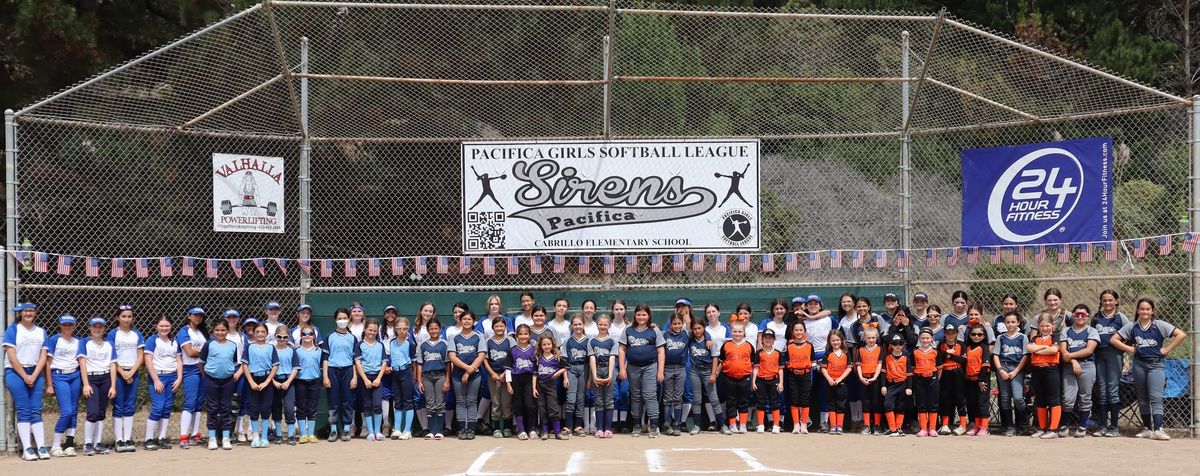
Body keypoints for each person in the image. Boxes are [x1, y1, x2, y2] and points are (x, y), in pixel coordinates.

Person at [1110, 297, 1186, 440]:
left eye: (1147, 309)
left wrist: (1167, 349)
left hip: (1155, 365)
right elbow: (1114, 339)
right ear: (1138, 311)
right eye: (1142, 309)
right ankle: (1147, 428)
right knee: (1142, 397)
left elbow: (1181, 334)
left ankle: (1158, 429)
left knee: (1155, 397)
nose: (1144, 311)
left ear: (1152, 311)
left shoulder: (1158, 325)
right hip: (1139, 364)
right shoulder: (1133, 326)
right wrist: (1130, 349)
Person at [619, 303, 666, 438]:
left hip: (650, 366)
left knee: (650, 395)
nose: (641, 317)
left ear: (649, 315)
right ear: (635, 315)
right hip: (633, 367)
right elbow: (622, 349)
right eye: (638, 314)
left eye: (644, 314)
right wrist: (622, 368)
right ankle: (637, 425)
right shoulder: (628, 329)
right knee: (635, 396)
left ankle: (654, 426)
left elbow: (661, 351)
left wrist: (660, 371)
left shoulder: (654, 330)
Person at [106, 304, 144, 453]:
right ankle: (119, 440)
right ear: (117, 318)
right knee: (119, 405)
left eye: (129, 316)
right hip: (118, 372)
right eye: (123, 316)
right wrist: (123, 372)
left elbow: (140, 354)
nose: (126, 319)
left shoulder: (137, 334)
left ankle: (127, 439)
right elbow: (111, 357)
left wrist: (132, 371)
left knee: (129, 405)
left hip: (132, 371)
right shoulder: (113, 334)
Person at [1091, 290, 1128, 437]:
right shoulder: (1096, 318)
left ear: (1116, 301)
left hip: (1114, 355)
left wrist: (1124, 349)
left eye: (1110, 300)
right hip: (1099, 355)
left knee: (1112, 390)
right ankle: (1102, 426)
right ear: (1101, 302)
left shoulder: (1121, 317)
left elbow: (1129, 334)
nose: (1107, 303)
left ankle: (1114, 427)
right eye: (1104, 300)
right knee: (1101, 390)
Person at [199, 320, 240, 450]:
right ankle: (212, 438)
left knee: (226, 407)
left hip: (227, 380)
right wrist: (207, 375)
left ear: (227, 331)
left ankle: (226, 437)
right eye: (217, 330)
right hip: (211, 380)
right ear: (213, 331)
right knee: (212, 408)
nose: (220, 332)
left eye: (223, 330)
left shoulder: (232, 345)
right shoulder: (209, 344)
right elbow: (201, 363)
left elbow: (233, 362)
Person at [143, 315, 182, 450]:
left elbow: (178, 360)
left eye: (167, 326)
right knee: (158, 407)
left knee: (167, 408)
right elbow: (148, 360)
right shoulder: (152, 340)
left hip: (172, 377)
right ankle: (148, 439)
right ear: (156, 326)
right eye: (161, 326)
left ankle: (161, 437)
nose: (164, 328)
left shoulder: (174, 341)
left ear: (171, 326)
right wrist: (156, 380)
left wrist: (179, 378)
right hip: (158, 376)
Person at [79, 316, 116, 456]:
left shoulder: (109, 344)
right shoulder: (84, 342)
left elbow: (112, 365)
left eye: (100, 327)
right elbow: (82, 363)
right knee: (92, 412)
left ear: (104, 329)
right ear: (90, 328)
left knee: (101, 412)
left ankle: (97, 442)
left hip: (106, 378)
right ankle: (87, 443)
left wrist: (113, 386)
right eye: (94, 326)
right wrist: (86, 384)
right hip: (91, 378)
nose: (97, 329)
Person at [46, 314, 82, 457]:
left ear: (74, 326)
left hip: (75, 375)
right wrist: (49, 384)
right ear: (60, 325)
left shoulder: (78, 341)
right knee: (66, 411)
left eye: (70, 324)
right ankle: (55, 445)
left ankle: (69, 444)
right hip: (59, 375)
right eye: (65, 324)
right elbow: (48, 363)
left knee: (73, 410)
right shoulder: (54, 340)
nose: (68, 327)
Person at [1060, 305, 1099, 438]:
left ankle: (1082, 426)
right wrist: (1073, 361)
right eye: (1077, 314)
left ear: (1088, 316)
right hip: (1069, 367)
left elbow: (1089, 350)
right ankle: (1064, 425)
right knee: (1067, 398)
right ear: (1073, 316)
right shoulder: (1066, 331)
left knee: (1085, 397)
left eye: (1083, 314)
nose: (1080, 317)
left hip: (1087, 365)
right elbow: (1063, 352)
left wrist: (1071, 356)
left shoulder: (1091, 331)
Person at [322, 308, 360, 442]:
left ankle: (346, 429)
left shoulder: (352, 338)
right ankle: (333, 430)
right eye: (339, 318)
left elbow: (355, 360)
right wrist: (325, 376)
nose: (342, 321)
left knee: (347, 401)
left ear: (349, 319)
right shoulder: (329, 337)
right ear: (335, 320)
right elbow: (325, 358)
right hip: (332, 371)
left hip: (348, 370)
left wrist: (355, 377)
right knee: (333, 401)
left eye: (345, 318)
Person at [242, 322, 280, 448]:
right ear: (253, 333)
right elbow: (245, 365)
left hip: (266, 380)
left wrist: (267, 381)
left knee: (265, 408)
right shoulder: (249, 347)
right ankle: (255, 436)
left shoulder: (271, 348)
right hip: (253, 379)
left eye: (262, 332)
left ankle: (264, 436)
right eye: (257, 331)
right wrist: (251, 382)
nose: (260, 334)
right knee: (253, 408)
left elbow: (275, 366)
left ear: (267, 334)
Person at [1027, 313, 1064, 439]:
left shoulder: (1055, 336)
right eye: (1042, 326)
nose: (1045, 328)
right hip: (1037, 370)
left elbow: (1054, 350)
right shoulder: (1034, 338)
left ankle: (1053, 429)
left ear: (1052, 326)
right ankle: (1042, 428)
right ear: (1038, 326)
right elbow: (1029, 348)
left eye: (1047, 325)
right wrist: (1043, 346)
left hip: (1051, 369)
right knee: (1040, 399)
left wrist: (1037, 349)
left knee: (1054, 399)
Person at [993, 311, 1029, 437]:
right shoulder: (1001, 338)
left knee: (1018, 397)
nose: (1010, 324)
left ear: (1018, 322)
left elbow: (1025, 355)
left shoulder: (1023, 337)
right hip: (1003, 367)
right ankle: (1009, 426)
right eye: (1007, 322)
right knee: (1005, 398)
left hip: (1017, 368)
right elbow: (996, 355)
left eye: (1013, 322)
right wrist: (1000, 370)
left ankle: (1023, 424)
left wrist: (1016, 371)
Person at [176, 307, 209, 448]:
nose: (198, 318)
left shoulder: (202, 332)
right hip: (190, 369)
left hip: (203, 368)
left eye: (201, 316)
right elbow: (189, 352)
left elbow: (200, 351)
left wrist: (201, 352)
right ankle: (183, 436)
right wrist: (205, 351)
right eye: (195, 315)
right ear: (189, 316)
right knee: (190, 402)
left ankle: (195, 434)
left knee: (199, 403)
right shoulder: (184, 331)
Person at [449, 312, 484, 440]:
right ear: (460, 320)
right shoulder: (454, 337)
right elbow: (452, 357)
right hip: (458, 374)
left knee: (471, 400)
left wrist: (470, 371)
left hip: (474, 374)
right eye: (464, 319)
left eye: (469, 319)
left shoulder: (478, 337)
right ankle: (462, 428)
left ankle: (470, 428)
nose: (467, 321)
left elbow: (481, 355)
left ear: (473, 321)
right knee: (460, 401)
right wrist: (466, 369)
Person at [719, 322, 756, 434]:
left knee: (744, 401)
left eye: (740, 331)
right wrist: (716, 372)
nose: (737, 334)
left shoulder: (749, 346)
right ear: (731, 332)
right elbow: (722, 361)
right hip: (729, 377)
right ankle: (732, 424)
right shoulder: (726, 345)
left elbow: (753, 362)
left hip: (745, 377)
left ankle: (743, 424)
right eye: (735, 331)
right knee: (731, 401)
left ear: (744, 332)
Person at [687, 318, 722, 435]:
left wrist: (713, 374)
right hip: (694, 371)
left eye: (699, 328)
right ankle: (697, 426)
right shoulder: (690, 340)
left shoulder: (710, 342)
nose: (697, 331)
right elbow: (686, 328)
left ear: (704, 328)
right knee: (697, 399)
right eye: (695, 328)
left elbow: (715, 358)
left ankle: (722, 425)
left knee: (714, 398)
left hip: (707, 371)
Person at [356, 319, 389, 441]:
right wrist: (365, 379)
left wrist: (379, 378)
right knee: (367, 405)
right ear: (365, 329)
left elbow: (384, 362)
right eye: (370, 330)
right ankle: (370, 432)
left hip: (377, 378)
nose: (372, 332)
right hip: (365, 378)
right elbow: (358, 364)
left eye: (375, 331)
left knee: (377, 404)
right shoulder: (359, 345)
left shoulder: (380, 345)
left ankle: (377, 431)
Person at [416, 318, 449, 440]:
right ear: (428, 330)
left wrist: (447, 380)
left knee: (440, 403)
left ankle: (439, 430)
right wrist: (419, 380)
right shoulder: (423, 345)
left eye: (436, 328)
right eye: (431, 329)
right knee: (430, 403)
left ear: (440, 329)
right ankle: (431, 430)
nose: (434, 331)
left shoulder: (444, 343)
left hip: (440, 375)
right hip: (427, 376)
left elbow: (448, 364)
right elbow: (419, 363)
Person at [534, 334, 569, 440]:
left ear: (552, 344)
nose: (546, 346)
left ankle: (557, 432)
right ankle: (545, 432)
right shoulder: (538, 357)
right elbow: (534, 374)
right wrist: (533, 388)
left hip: (551, 385)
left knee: (553, 408)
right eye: (544, 344)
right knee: (542, 409)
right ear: (540, 346)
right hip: (540, 385)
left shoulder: (556, 356)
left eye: (548, 344)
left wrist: (559, 373)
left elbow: (567, 366)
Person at [293, 324, 325, 443]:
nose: (307, 336)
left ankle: (311, 434)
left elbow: (322, 366)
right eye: (304, 334)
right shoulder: (296, 351)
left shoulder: (319, 351)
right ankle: (303, 434)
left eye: (310, 334)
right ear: (301, 336)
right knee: (301, 408)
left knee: (312, 408)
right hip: (300, 381)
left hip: (314, 381)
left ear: (314, 336)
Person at [589, 315, 618, 438]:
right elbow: (591, 358)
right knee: (599, 399)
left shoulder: (612, 341)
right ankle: (599, 428)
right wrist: (594, 376)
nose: (602, 327)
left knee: (609, 400)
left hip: (608, 369)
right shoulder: (592, 341)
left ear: (609, 325)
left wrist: (610, 375)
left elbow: (612, 358)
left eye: (605, 324)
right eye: (600, 324)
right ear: (597, 325)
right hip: (597, 369)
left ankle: (608, 428)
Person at [388, 318, 418, 440]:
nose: (402, 331)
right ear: (395, 329)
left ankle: (407, 430)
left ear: (408, 328)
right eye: (399, 328)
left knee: (408, 401)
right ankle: (397, 429)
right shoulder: (392, 342)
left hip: (407, 372)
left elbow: (414, 362)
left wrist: (415, 377)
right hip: (395, 373)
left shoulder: (410, 343)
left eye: (404, 328)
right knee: (398, 401)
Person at [270, 324, 300, 446]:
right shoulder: (271, 349)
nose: (282, 339)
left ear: (289, 337)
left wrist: (288, 382)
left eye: (285, 337)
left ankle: (291, 435)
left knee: (289, 408)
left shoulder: (292, 350)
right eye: (279, 337)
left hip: (288, 381)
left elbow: (295, 368)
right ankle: (278, 435)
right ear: (275, 336)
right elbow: (268, 368)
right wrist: (273, 381)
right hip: (275, 381)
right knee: (276, 408)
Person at [784, 321, 815, 434]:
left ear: (805, 331)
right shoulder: (789, 346)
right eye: (796, 330)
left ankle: (804, 424)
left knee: (805, 399)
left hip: (806, 374)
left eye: (801, 330)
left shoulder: (809, 345)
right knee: (794, 399)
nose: (798, 332)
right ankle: (796, 425)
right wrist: (793, 368)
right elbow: (786, 362)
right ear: (792, 332)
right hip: (793, 375)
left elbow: (812, 361)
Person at [936, 323, 967, 435]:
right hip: (945, 373)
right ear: (944, 333)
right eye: (948, 333)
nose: (950, 335)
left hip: (957, 372)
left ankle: (963, 424)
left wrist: (951, 356)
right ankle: (945, 424)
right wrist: (945, 354)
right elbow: (938, 359)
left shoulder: (961, 344)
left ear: (956, 333)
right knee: (945, 398)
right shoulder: (941, 344)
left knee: (960, 397)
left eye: (952, 333)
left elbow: (963, 361)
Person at [508, 324, 538, 440]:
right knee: (518, 405)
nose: (523, 336)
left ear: (530, 335)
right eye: (520, 334)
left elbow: (536, 368)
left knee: (530, 405)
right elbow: (507, 369)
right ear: (516, 336)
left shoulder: (534, 350)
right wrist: (508, 384)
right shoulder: (512, 350)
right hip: (516, 379)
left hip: (530, 379)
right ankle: (521, 430)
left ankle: (532, 429)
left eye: (526, 334)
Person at [563, 316, 591, 436]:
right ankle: (568, 426)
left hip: (584, 368)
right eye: (575, 324)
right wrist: (565, 376)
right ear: (571, 326)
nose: (578, 327)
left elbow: (591, 360)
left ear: (583, 325)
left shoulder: (589, 341)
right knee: (570, 398)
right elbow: (564, 360)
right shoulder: (568, 341)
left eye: (580, 324)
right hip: (571, 368)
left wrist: (590, 378)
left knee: (580, 398)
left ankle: (578, 426)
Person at [819, 329, 851, 435]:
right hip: (829, 383)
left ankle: (839, 426)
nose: (836, 342)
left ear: (841, 340)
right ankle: (833, 426)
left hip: (841, 383)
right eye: (833, 340)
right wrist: (829, 379)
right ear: (829, 341)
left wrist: (840, 378)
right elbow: (823, 368)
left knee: (841, 405)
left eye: (837, 340)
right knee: (831, 404)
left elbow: (849, 368)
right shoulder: (827, 353)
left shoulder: (846, 353)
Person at [912, 328, 942, 437]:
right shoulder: (915, 351)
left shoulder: (935, 351)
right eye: (923, 338)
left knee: (933, 404)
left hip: (932, 380)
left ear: (932, 339)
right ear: (919, 339)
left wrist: (936, 379)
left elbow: (939, 368)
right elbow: (912, 367)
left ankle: (932, 428)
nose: (925, 340)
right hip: (919, 380)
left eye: (927, 338)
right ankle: (924, 428)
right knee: (921, 404)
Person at [661, 314, 689, 436]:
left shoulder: (686, 334)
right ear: (670, 324)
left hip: (680, 368)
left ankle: (677, 424)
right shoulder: (665, 335)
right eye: (674, 323)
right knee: (667, 398)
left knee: (678, 398)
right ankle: (666, 424)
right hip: (667, 368)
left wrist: (708, 338)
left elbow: (701, 332)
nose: (677, 326)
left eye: (679, 323)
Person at [963, 324, 992, 436]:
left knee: (982, 403)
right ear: (969, 335)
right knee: (973, 403)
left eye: (979, 334)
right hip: (970, 380)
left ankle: (985, 427)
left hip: (981, 380)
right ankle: (977, 425)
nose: (976, 336)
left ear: (984, 335)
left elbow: (985, 366)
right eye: (973, 334)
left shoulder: (984, 347)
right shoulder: (968, 347)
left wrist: (981, 380)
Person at [753, 329, 784, 434]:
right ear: (762, 339)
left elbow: (780, 369)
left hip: (773, 379)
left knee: (774, 402)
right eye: (765, 338)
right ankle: (761, 424)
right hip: (761, 380)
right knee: (761, 402)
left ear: (774, 339)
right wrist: (753, 381)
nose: (768, 340)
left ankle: (776, 425)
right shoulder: (759, 353)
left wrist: (781, 382)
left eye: (770, 338)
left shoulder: (778, 353)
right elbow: (756, 368)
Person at [854, 327, 884, 435]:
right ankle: (867, 425)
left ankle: (877, 425)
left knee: (876, 402)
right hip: (864, 378)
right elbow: (858, 365)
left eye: (873, 338)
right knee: (865, 402)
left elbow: (880, 364)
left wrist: (875, 377)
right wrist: (861, 377)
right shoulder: (860, 350)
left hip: (875, 378)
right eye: (868, 338)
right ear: (864, 338)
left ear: (877, 337)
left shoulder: (880, 348)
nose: (871, 340)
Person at [881, 333, 912, 437]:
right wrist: (883, 386)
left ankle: (899, 428)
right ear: (891, 345)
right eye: (895, 344)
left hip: (902, 383)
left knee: (901, 406)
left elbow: (909, 374)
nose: (898, 346)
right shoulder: (887, 357)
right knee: (887, 405)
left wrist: (909, 387)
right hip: (891, 384)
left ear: (904, 344)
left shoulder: (906, 357)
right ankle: (892, 428)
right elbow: (883, 373)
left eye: (900, 343)